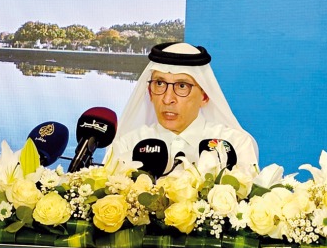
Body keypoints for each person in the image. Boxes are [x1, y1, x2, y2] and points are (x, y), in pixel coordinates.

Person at [109, 41, 259, 171]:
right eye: (159, 84)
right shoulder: (127, 145)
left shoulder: (235, 145)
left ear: (205, 96)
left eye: (182, 86)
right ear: (149, 92)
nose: (168, 99)